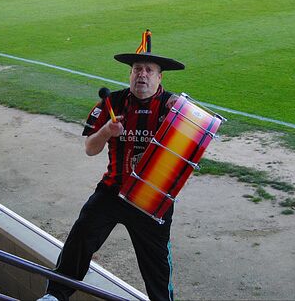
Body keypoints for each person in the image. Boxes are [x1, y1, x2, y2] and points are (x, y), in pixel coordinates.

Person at [38, 30, 185, 301]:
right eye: (137, 69)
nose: (142, 75)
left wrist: (185, 115)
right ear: (130, 74)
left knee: (157, 268)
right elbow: (90, 149)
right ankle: (55, 296)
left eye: (149, 70)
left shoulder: (174, 107)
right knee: (79, 238)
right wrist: (106, 130)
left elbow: (192, 147)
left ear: (159, 77)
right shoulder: (112, 103)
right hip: (112, 191)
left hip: (151, 200)